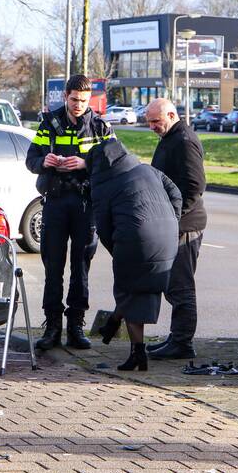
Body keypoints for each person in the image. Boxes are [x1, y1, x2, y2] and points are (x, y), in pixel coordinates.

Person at [25, 74, 114, 350]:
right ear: (66, 96)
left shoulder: (100, 127)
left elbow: (113, 162)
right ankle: (52, 327)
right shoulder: (49, 123)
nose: (78, 105)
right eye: (74, 99)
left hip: (85, 204)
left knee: (81, 267)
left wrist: (84, 163)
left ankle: (76, 326)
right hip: (55, 201)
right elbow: (31, 160)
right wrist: (45, 161)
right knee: (53, 266)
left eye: (84, 101)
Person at [88, 140, 181, 371]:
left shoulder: (103, 183)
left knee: (127, 289)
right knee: (138, 289)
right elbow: (176, 194)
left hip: (134, 240)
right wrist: (171, 222)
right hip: (168, 238)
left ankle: (137, 353)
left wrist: (117, 249)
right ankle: (114, 323)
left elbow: (103, 228)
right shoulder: (149, 170)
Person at [144, 98, 207, 359]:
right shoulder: (171, 137)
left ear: (171, 115)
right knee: (172, 284)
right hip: (174, 223)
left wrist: (174, 216)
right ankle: (176, 337)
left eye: (156, 121)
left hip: (184, 225)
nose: (152, 127)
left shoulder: (184, 141)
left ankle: (182, 343)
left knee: (181, 285)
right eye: (149, 122)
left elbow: (195, 185)